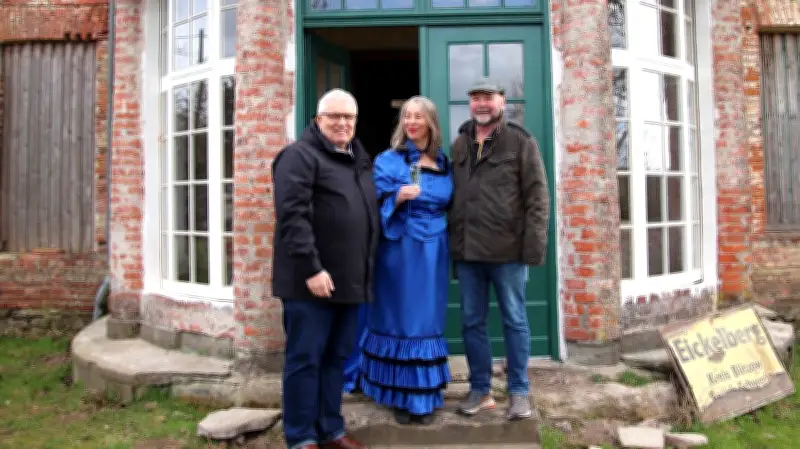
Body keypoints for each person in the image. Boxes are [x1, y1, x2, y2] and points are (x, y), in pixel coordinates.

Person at [272, 88, 379, 449]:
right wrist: (312, 269)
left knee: (336, 359)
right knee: (305, 359)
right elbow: (293, 218)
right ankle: (301, 437)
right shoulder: (298, 157)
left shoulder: (359, 162)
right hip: (310, 284)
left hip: (348, 284)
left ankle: (330, 429)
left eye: (348, 117)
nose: (342, 123)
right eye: (334, 116)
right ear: (318, 120)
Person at [448, 79, 550, 421]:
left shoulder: (520, 141)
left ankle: (519, 391)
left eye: (488, 98)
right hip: (468, 253)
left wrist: (532, 248)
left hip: (507, 252)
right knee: (471, 322)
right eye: (475, 97)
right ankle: (481, 389)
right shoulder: (460, 142)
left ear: (502, 102)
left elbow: (538, 197)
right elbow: (454, 195)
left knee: (515, 320)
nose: (481, 104)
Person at [358, 96, 453, 425]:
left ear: (430, 122)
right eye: (406, 117)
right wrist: (397, 197)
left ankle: (425, 398)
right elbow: (373, 204)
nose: (411, 122)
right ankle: (401, 397)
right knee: (402, 320)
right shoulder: (388, 161)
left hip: (435, 251)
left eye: (418, 116)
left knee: (428, 321)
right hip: (401, 250)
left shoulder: (444, 162)